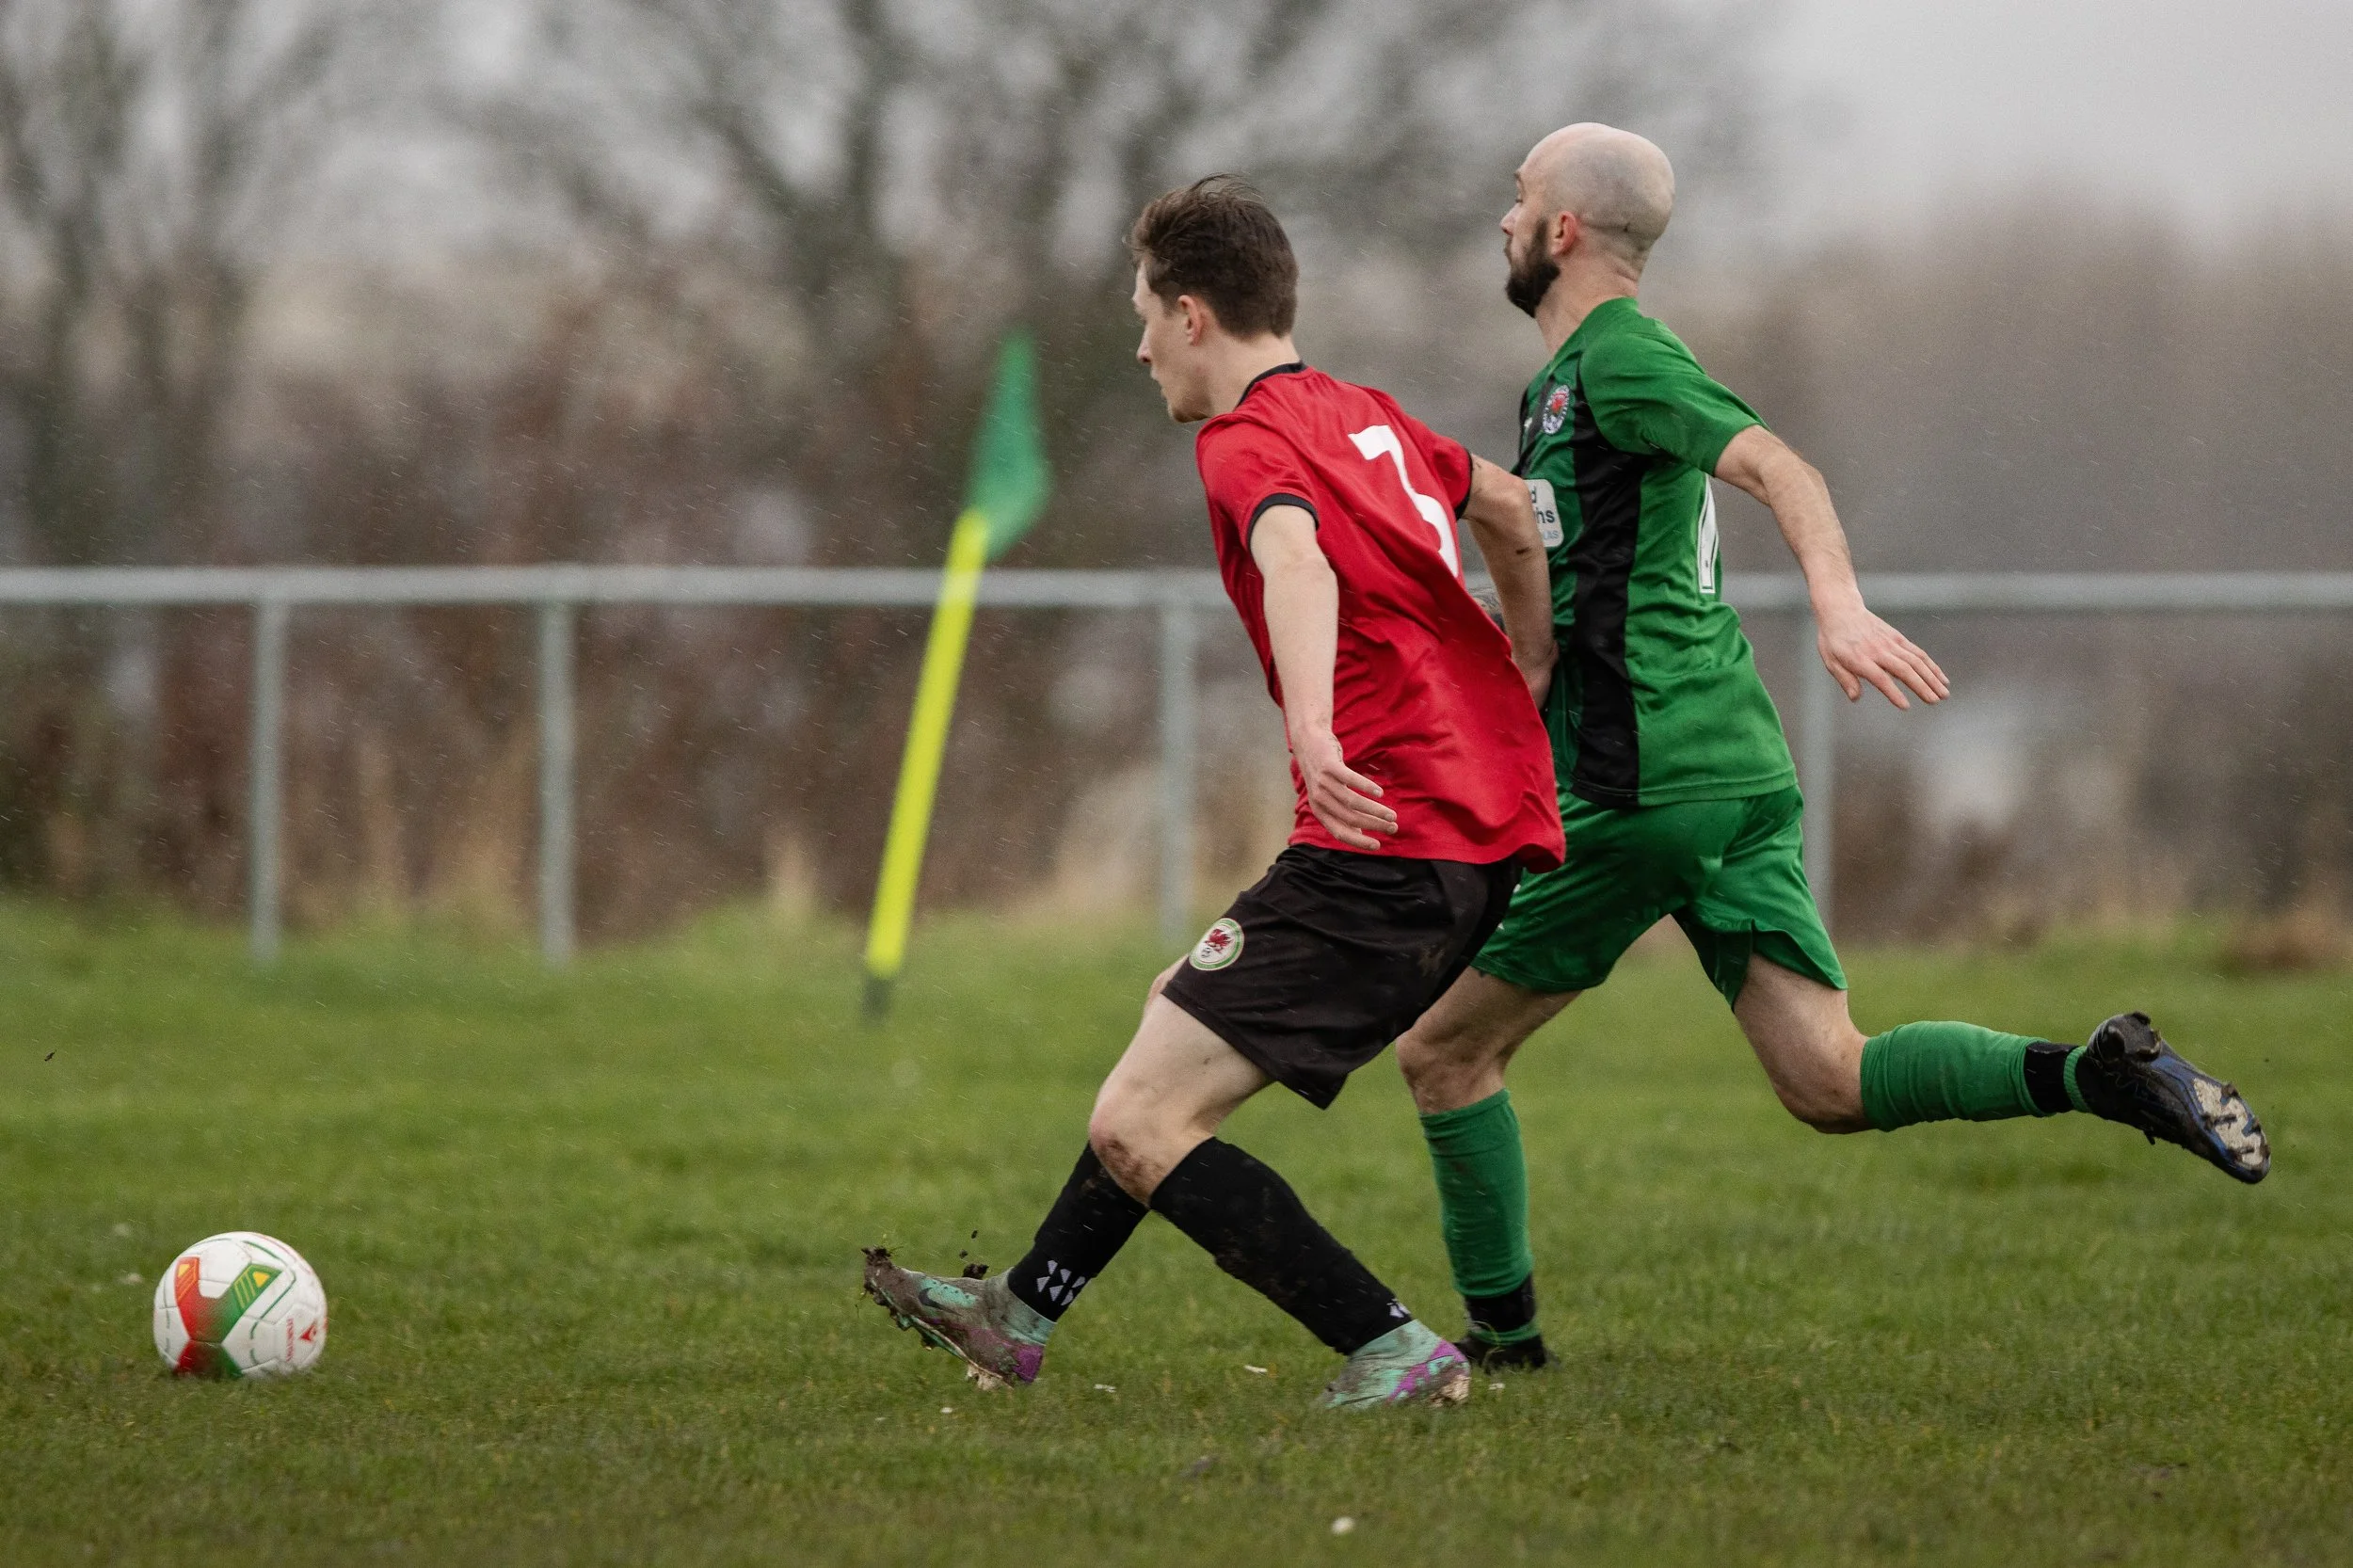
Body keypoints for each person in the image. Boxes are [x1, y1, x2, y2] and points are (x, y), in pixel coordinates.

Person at [1395, 124, 2272, 1373]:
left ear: (1566, 232)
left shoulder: (1621, 361)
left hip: (1645, 782)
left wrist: (1839, 601)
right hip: (1734, 775)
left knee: (1444, 1045)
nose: (1502, 218)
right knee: (1828, 1077)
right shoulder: (1573, 381)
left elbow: (1777, 464)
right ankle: (2099, 1072)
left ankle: (1505, 1346)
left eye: (1519, 198)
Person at [864, 175, 1567, 1409]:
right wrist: (1532, 657)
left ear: (1194, 316)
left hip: (1382, 839)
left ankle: (1395, 1348)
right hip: (1473, 832)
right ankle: (1017, 1311)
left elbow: (1295, 558)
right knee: (1165, 1029)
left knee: (1141, 1120)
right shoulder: (1369, 416)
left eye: (1146, 316)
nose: (1138, 347)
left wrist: (1310, 718)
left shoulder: (1245, 441)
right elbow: (1510, 506)